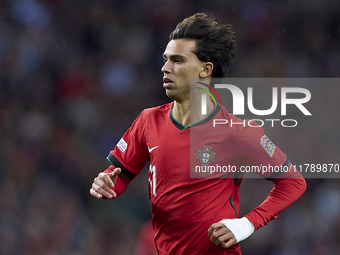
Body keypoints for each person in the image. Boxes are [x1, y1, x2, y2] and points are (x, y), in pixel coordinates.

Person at [90, 13, 306, 254]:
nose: (165, 68)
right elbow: (118, 176)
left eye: (178, 60)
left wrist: (248, 223)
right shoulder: (147, 121)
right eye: (165, 59)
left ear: (205, 70)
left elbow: (292, 182)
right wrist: (106, 183)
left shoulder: (238, 132)